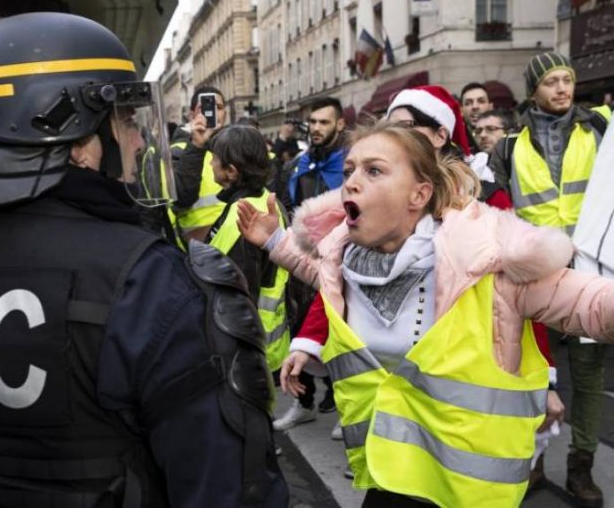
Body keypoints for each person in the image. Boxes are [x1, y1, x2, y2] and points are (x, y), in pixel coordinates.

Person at [0, 12, 287, 508]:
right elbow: (224, 485)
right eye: (127, 121)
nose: (137, 140)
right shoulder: (151, 280)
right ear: (77, 141)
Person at [236, 120, 614, 508]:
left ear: (419, 194)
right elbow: (320, 272)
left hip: (468, 491)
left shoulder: (486, 264)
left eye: (374, 170)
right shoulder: (345, 262)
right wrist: (276, 240)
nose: (350, 182)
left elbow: (591, 304)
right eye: (349, 170)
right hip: (388, 478)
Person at [489, 52, 612, 508]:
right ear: (533, 90)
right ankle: (533, 456)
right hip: (534, 275)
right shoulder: (508, 146)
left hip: (590, 268)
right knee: (530, 371)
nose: (561, 88)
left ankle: (581, 464)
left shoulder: (600, 127)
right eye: (551, 82)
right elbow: (499, 206)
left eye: (567, 80)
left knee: (588, 373)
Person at [272, 97, 347, 432]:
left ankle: (344, 406)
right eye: (313, 122)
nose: (316, 128)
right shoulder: (301, 165)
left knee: (341, 334)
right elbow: (289, 205)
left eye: (324, 122)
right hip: (304, 260)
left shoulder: (349, 165)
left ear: (339, 125)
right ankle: (304, 402)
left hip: (341, 260)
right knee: (300, 327)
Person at [205, 125, 290, 372]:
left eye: (214, 160)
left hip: (246, 345)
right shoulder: (263, 199)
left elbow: (238, 293)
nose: (210, 165)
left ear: (231, 171)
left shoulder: (243, 217)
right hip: (268, 338)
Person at [387, 84, 511, 209]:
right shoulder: (384, 188)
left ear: (440, 137)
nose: (395, 135)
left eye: (405, 126)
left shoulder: (486, 195)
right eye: (389, 128)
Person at [170, 86, 229, 243]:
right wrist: (197, 146)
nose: (214, 112)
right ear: (191, 115)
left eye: (219, 107)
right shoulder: (178, 151)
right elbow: (182, 198)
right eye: (206, 107)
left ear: (226, 114)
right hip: (199, 246)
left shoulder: (234, 148)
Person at [460, 82, 494, 153]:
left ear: (490, 107)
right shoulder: (455, 144)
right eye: (468, 103)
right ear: (461, 110)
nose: (475, 106)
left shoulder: (504, 140)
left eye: (481, 101)